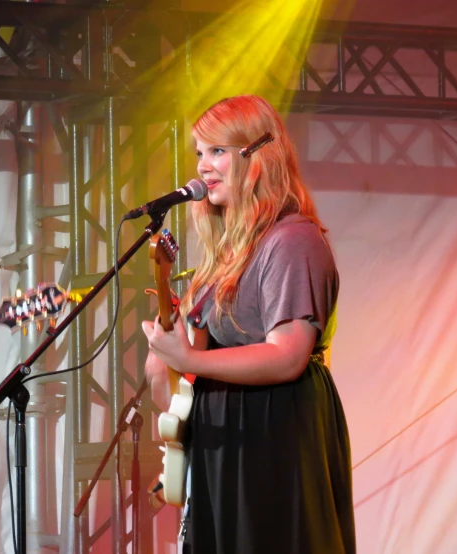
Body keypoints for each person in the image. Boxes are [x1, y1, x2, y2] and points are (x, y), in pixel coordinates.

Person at [142, 95, 356, 553]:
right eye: (199, 152)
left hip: (274, 427)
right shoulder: (225, 256)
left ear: (256, 155)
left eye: (217, 151)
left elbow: (288, 354)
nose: (203, 166)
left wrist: (191, 357)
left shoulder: (293, 239)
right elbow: (176, 390)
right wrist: (166, 360)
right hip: (227, 433)